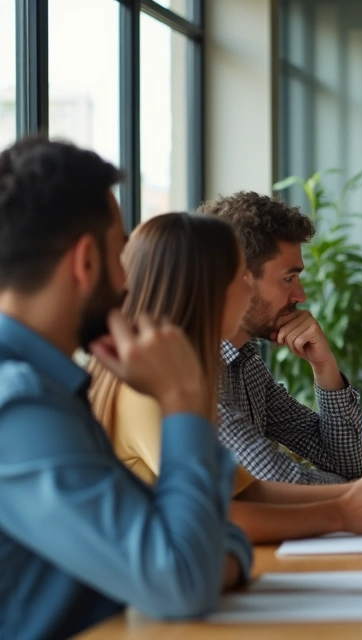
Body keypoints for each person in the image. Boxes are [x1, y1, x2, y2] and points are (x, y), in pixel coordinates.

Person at [0, 138, 251, 639]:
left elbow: (209, 541)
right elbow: (183, 578)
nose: (128, 283)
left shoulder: (51, 389)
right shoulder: (19, 405)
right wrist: (184, 403)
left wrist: (207, 558)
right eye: (121, 256)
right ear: (86, 262)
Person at [90, 213, 362, 544]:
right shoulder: (153, 384)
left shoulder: (208, 368)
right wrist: (345, 508)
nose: (246, 291)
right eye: (239, 278)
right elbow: (222, 511)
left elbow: (248, 490)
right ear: (209, 288)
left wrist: (353, 495)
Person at [198, 192, 362, 484]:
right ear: (238, 278)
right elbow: (276, 482)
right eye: (288, 279)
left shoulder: (246, 362)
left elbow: (349, 465)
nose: (301, 296)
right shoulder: (193, 368)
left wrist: (324, 366)